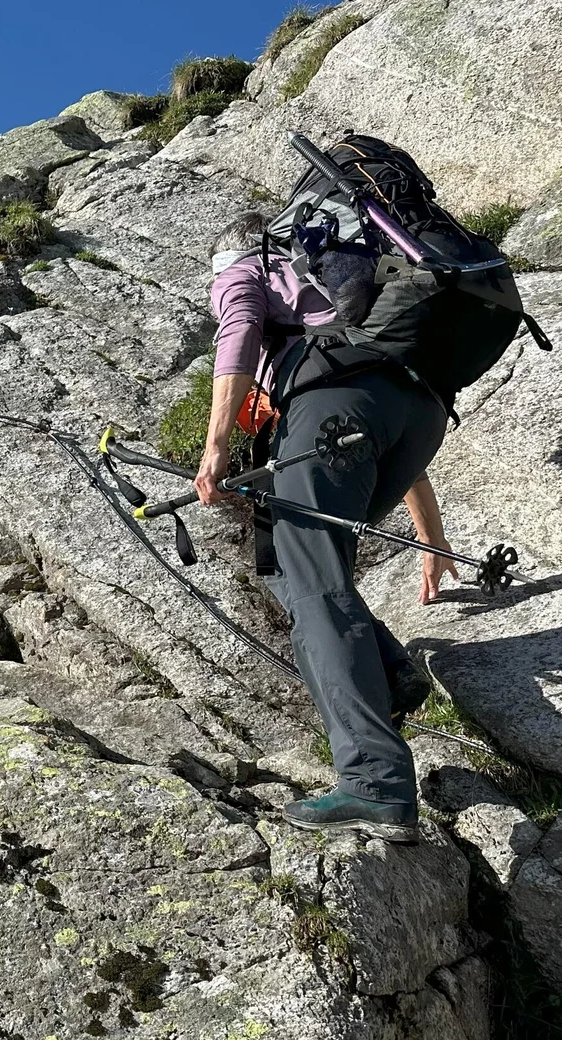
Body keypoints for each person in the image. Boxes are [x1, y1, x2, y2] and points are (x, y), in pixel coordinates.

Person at [197, 212, 456, 843]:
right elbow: (375, 426)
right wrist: (432, 538)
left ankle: (375, 782)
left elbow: (237, 337)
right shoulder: (347, 294)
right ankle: (388, 669)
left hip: (333, 410)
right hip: (418, 411)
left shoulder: (244, 269)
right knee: (296, 566)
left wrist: (216, 446)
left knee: (312, 587)